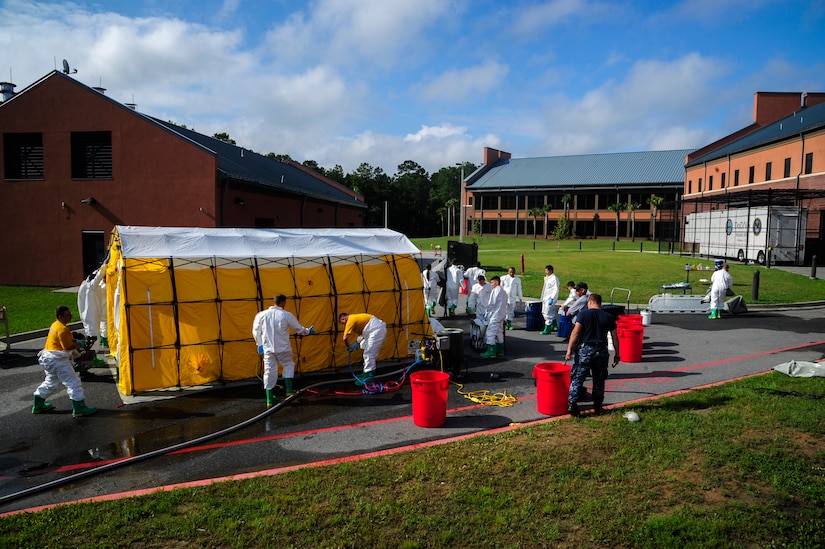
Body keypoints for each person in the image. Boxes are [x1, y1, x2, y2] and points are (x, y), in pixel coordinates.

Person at [31, 306, 97, 417]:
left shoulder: (56, 325)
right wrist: (80, 344)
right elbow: (68, 346)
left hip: (48, 358)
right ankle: (79, 408)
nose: (70, 315)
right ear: (60, 316)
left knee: (50, 382)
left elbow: (65, 340)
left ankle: (37, 405)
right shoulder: (62, 329)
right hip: (58, 361)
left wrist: (76, 341)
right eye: (67, 314)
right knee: (73, 383)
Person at [252, 294, 315, 407]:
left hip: (268, 350)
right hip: (283, 349)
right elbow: (298, 328)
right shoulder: (286, 315)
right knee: (288, 365)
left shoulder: (261, 315)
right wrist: (307, 331)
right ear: (283, 302)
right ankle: (289, 390)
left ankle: (269, 400)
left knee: (269, 372)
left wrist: (259, 344)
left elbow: (256, 331)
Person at [564, 293, 620, 417]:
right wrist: (617, 354)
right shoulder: (609, 316)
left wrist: (569, 350)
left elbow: (575, 333)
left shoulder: (583, 314)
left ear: (590, 301)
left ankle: (573, 403)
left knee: (578, 377)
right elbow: (615, 337)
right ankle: (598, 405)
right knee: (599, 378)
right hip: (601, 350)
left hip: (585, 350)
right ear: (599, 303)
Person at [339, 312, 387, 384]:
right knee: (366, 352)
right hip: (372, 331)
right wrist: (357, 343)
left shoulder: (350, 320)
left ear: (344, 319)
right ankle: (365, 372)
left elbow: (345, 338)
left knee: (369, 354)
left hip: (376, 331)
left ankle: (369, 377)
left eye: (343, 323)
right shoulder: (356, 319)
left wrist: (348, 346)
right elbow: (362, 332)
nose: (345, 325)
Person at [480, 275, 508, 358]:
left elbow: (492, 303)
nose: (491, 284)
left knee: (490, 333)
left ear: (496, 282)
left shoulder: (496, 290)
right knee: (499, 332)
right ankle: (500, 350)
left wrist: (487, 311)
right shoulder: (504, 291)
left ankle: (491, 351)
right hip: (502, 314)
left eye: (492, 282)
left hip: (495, 315)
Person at [539, 265, 559, 334]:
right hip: (545, 297)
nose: (546, 272)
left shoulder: (554, 278)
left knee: (547, 313)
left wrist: (552, 298)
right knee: (546, 312)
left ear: (550, 270)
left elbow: (556, 289)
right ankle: (554, 325)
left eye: (547, 270)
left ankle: (547, 329)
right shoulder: (547, 278)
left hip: (550, 298)